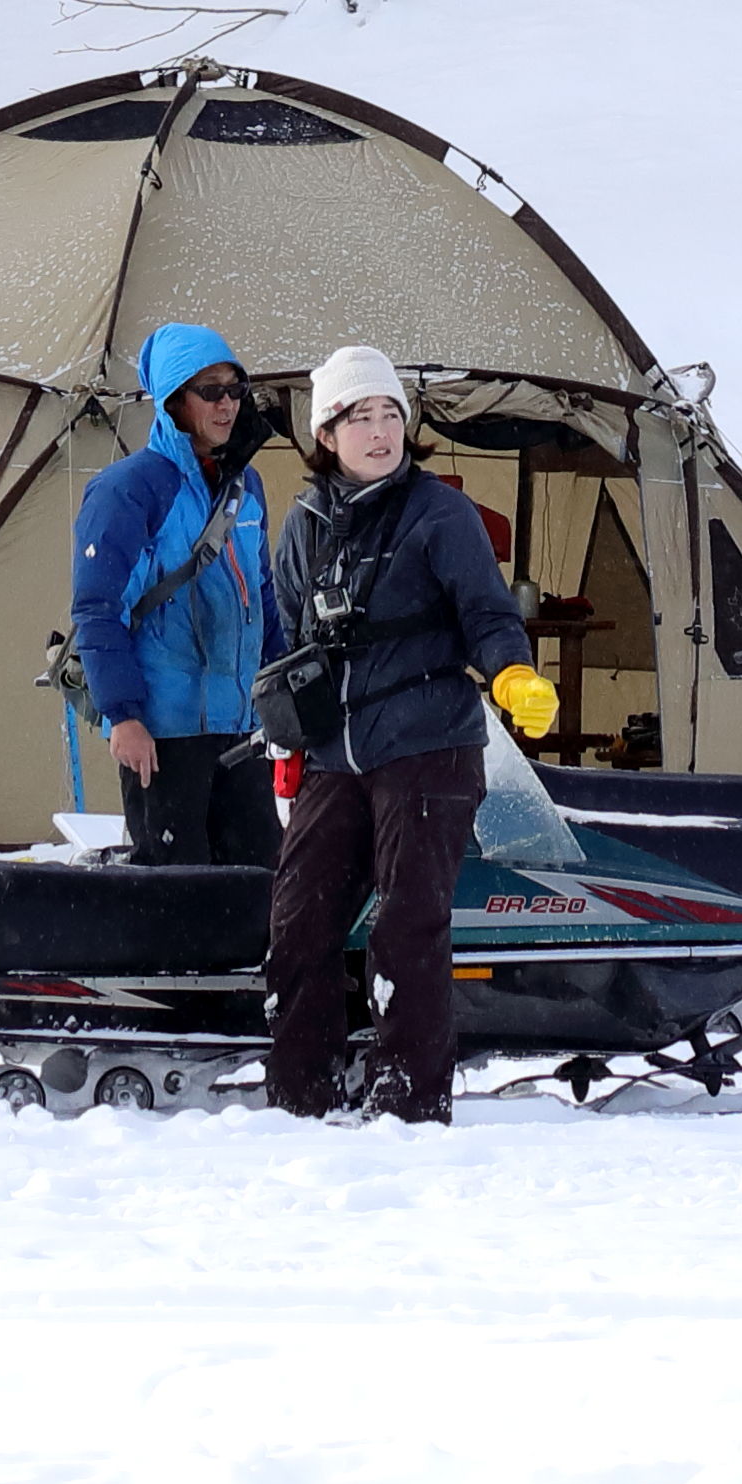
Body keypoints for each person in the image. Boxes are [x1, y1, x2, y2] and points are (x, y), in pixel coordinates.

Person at [258, 346, 549, 1124]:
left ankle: (409, 1096)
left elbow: (487, 611)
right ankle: (300, 1093)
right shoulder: (306, 525)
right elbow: (286, 639)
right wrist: (283, 732)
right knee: (299, 918)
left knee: (407, 922)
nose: (381, 429)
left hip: (429, 746)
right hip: (334, 752)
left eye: (390, 412)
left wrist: (511, 672)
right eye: (360, 416)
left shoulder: (439, 513)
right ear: (326, 432)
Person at [70, 323, 281, 870]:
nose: (228, 404)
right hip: (163, 734)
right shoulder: (129, 489)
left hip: (241, 729)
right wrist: (124, 717)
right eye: (210, 390)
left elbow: (263, 595)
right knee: (176, 894)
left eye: (235, 389)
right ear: (172, 401)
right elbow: (99, 610)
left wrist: (283, 696)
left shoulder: (246, 485)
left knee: (260, 880)